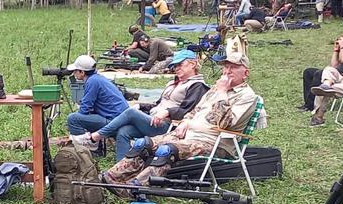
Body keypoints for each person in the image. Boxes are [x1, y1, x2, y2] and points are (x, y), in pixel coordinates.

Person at [101, 52, 257, 188]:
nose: (228, 71)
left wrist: (223, 92)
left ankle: (136, 186)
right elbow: (195, 110)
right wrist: (185, 122)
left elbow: (225, 124)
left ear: (246, 73)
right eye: (226, 67)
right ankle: (111, 178)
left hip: (214, 142)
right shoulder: (215, 90)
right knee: (144, 144)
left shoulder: (247, 97)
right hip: (188, 134)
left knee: (166, 150)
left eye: (234, 67)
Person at [84, 50, 208, 160]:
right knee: (124, 131)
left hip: (169, 126)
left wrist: (168, 111)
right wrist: (140, 106)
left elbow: (189, 111)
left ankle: (96, 136)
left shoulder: (197, 86)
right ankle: (122, 168)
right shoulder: (173, 83)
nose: (176, 68)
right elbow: (158, 104)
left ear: (192, 64)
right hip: (152, 120)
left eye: (180, 64)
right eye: (174, 66)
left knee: (130, 113)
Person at [66, 54, 129, 157]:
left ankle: (87, 151)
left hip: (114, 121)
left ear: (82, 72)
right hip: (119, 118)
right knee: (87, 116)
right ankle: (94, 147)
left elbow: (84, 110)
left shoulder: (92, 82)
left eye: (75, 71)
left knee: (73, 119)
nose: (74, 74)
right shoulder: (97, 78)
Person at [300, 29, 343, 112]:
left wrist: (342, 46)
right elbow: (334, 66)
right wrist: (336, 50)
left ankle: (311, 105)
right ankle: (308, 103)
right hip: (334, 75)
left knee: (319, 73)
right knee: (308, 72)